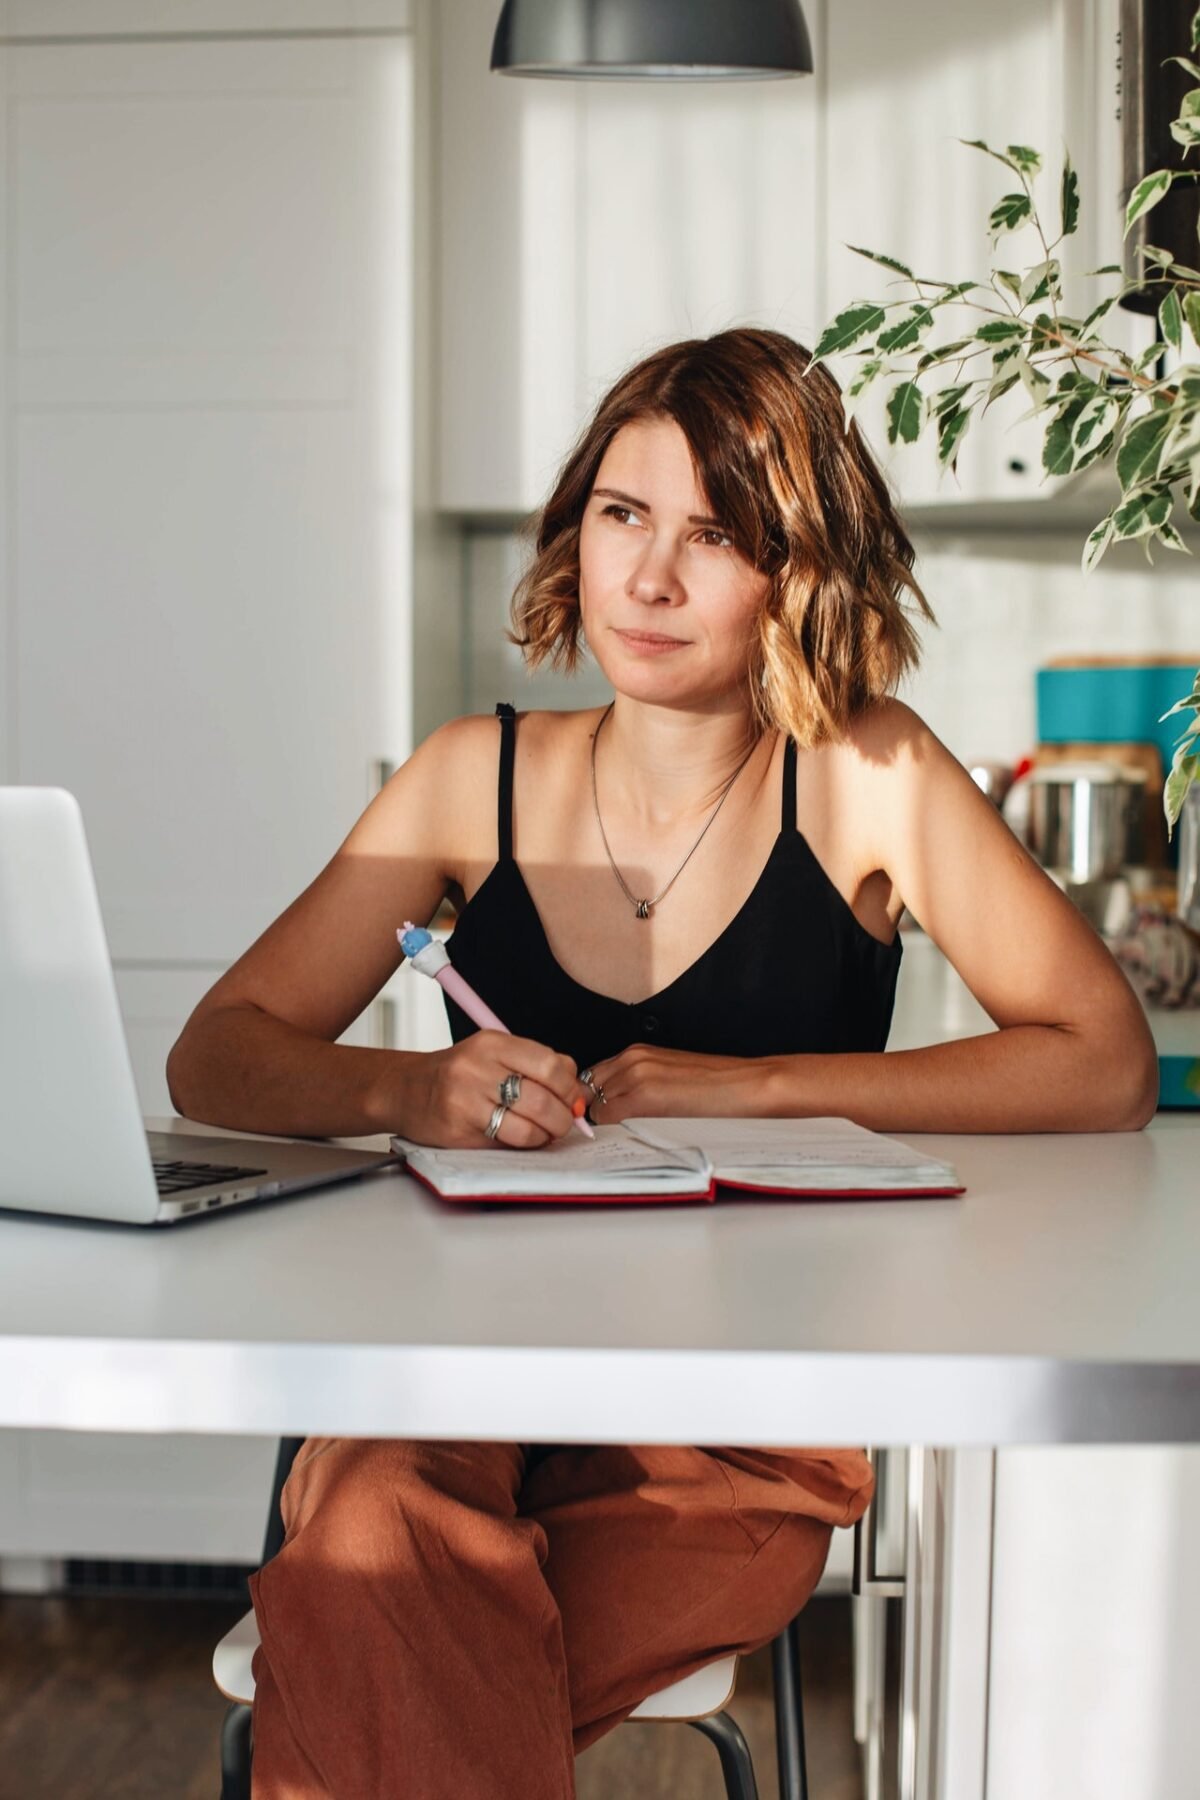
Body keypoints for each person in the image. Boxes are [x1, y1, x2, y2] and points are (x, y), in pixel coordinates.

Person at [167, 327, 1158, 1797]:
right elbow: (219, 1056)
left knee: (363, 1627)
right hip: (456, 1379)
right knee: (378, 1533)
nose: (646, 578)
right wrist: (408, 1089)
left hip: (740, 1426)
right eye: (622, 516)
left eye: (713, 536)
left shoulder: (867, 776)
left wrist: (755, 1084)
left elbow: (1101, 1061)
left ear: (795, 572)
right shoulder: (468, 777)